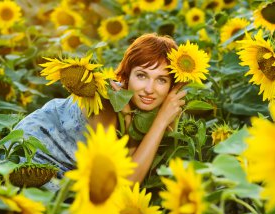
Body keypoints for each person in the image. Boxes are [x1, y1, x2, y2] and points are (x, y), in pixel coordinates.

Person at [13, 33, 187, 187]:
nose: (150, 89)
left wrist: (139, 120)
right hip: (28, 159)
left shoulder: (154, 109)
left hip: (67, 176)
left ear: (173, 85)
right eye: (142, 75)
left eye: (162, 80)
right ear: (126, 76)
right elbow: (126, 182)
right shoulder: (105, 103)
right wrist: (160, 121)